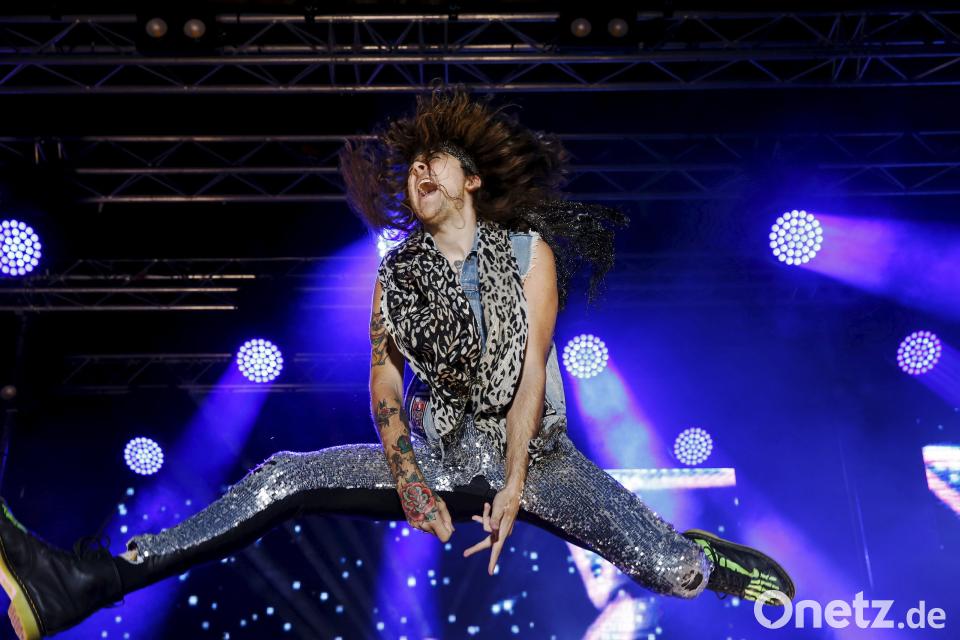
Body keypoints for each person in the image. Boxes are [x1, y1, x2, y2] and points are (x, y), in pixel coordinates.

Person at [0, 86, 794, 640]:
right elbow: (383, 379)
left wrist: (514, 484)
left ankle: (703, 557)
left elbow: (529, 374)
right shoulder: (398, 272)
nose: (419, 172)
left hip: (540, 464)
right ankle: (81, 583)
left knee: (668, 569)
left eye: (435, 161)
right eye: (412, 165)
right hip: (437, 459)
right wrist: (410, 478)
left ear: (471, 180)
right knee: (284, 475)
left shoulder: (529, 254)